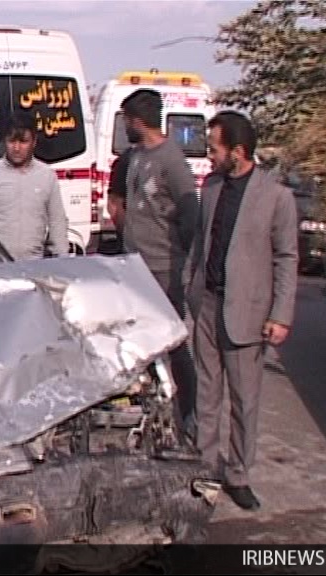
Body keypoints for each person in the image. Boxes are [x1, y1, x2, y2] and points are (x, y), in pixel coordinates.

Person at [184, 111, 298, 510]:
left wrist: (280, 315)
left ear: (238, 151)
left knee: (245, 400)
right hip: (208, 306)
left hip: (248, 313)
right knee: (206, 394)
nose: (208, 156)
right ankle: (204, 467)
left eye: (214, 149)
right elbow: (201, 241)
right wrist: (190, 287)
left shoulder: (276, 197)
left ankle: (238, 475)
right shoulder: (212, 187)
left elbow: (286, 258)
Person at [119, 89, 200, 436]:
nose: (125, 127)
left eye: (126, 121)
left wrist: (178, 257)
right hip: (135, 267)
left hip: (163, 269)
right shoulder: (137, 155)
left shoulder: (171, 160)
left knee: (174, 344)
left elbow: (190, 214)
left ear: (137, 121)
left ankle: (190, 415)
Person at [0, 114, 68, 260]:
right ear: (4, 142)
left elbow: (57, 220)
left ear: (34, 142)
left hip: (34, 264)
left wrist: (62, 258)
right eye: (11, 141)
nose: (17, 148)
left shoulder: (47, 175)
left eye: (23, 141)